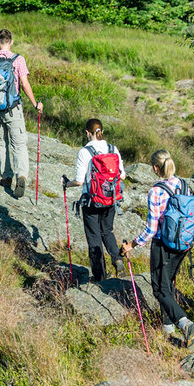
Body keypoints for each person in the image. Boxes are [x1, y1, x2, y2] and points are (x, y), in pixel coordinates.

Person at [121, 149, 194, 347]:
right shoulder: (183, 184)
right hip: (183, 244)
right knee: (168, 284)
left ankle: (185, 323)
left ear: (155, 168)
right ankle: (167, 328)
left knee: (160, 289)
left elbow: (151, 229)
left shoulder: (155, 191)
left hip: (163, 244)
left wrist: (132, 245)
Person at [0, 29, 43, 198]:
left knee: (1, 143)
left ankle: (6, 177)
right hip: (13, 109)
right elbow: (24, 84)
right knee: (18, 144)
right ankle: (21, 176)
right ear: (11, 42)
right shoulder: (18, 60)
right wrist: (35, 104)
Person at [62, 119, 126, 282]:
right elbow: (122, 175)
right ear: (102, 131)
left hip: (91, 201)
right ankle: (117, 259)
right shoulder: (113, 149)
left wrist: (66, 184)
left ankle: (100, 277)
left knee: (94, 237)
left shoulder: (85, 152)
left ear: (87, 132)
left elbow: (79, 181)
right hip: (110, 199)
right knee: (107, 231)